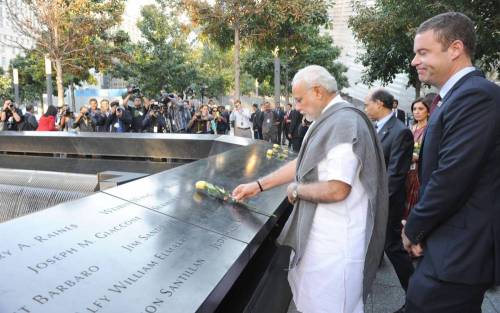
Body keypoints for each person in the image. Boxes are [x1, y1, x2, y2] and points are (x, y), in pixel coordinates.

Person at [233, 65, 388, 313]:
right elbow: (303, 163)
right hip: (321, 241)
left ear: (317, 91)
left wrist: (297, 190)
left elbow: (338, 189)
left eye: (299, 99)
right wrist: (259, 185)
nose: (296, 106)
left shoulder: (344, 123)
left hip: (336, 248)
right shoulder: (327, 119)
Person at [402, 12, 500, 313]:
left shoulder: (477, 96)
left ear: (455, 49)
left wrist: (414, 229)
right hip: (448, 246)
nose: (414, 61)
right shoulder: (456, 96)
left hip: (460, 252)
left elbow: (452, 177)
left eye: (423, 52)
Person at [364, 89, 414, 312]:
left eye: (368, 104)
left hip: (386, 202)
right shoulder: (376, 128)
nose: (366, 109)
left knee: (393, 246)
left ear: (380, 104)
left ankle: (414, 295)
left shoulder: (400, 132)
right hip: (370, 197)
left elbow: (395, 175)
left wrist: (378, 202)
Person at [404, 97, 431, 218]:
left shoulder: (430, 129)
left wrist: (414, 156)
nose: (417, 112)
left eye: (421, 108)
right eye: (414, 109)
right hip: (406, 170)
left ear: (428, 111)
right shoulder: (410, 129)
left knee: (415, 199)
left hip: (420, 171)